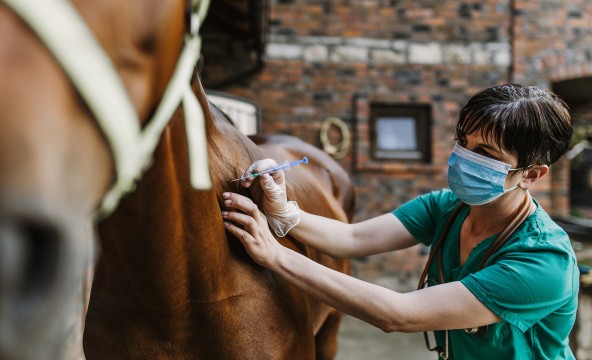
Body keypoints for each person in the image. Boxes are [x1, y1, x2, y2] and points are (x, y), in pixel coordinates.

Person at [221, 84, 579, 359]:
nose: (463, 158)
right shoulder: (448, 208)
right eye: (463, 142)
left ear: (531, 175)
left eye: (485, 154)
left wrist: (276, 255)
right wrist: (283, 210)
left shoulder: (543, 262)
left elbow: (399, 314)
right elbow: (354, 238)